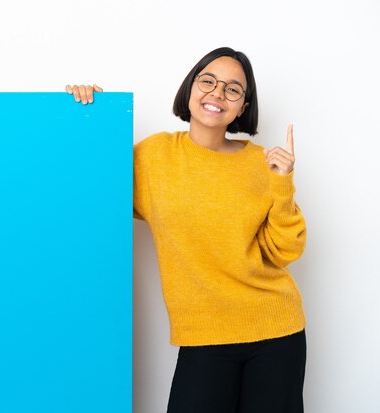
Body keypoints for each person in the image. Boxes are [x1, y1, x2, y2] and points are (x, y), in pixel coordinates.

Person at [66, 47, 308, 413]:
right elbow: (91, 188)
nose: (217, 93)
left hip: (274, 328)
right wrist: (87, 115)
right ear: (190, 89)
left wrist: (282, 184)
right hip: (204, 335)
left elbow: (284, 251)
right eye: (208, 81)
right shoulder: (154, 157)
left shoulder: (261, 165)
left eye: (232, 89)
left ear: (242, 106)